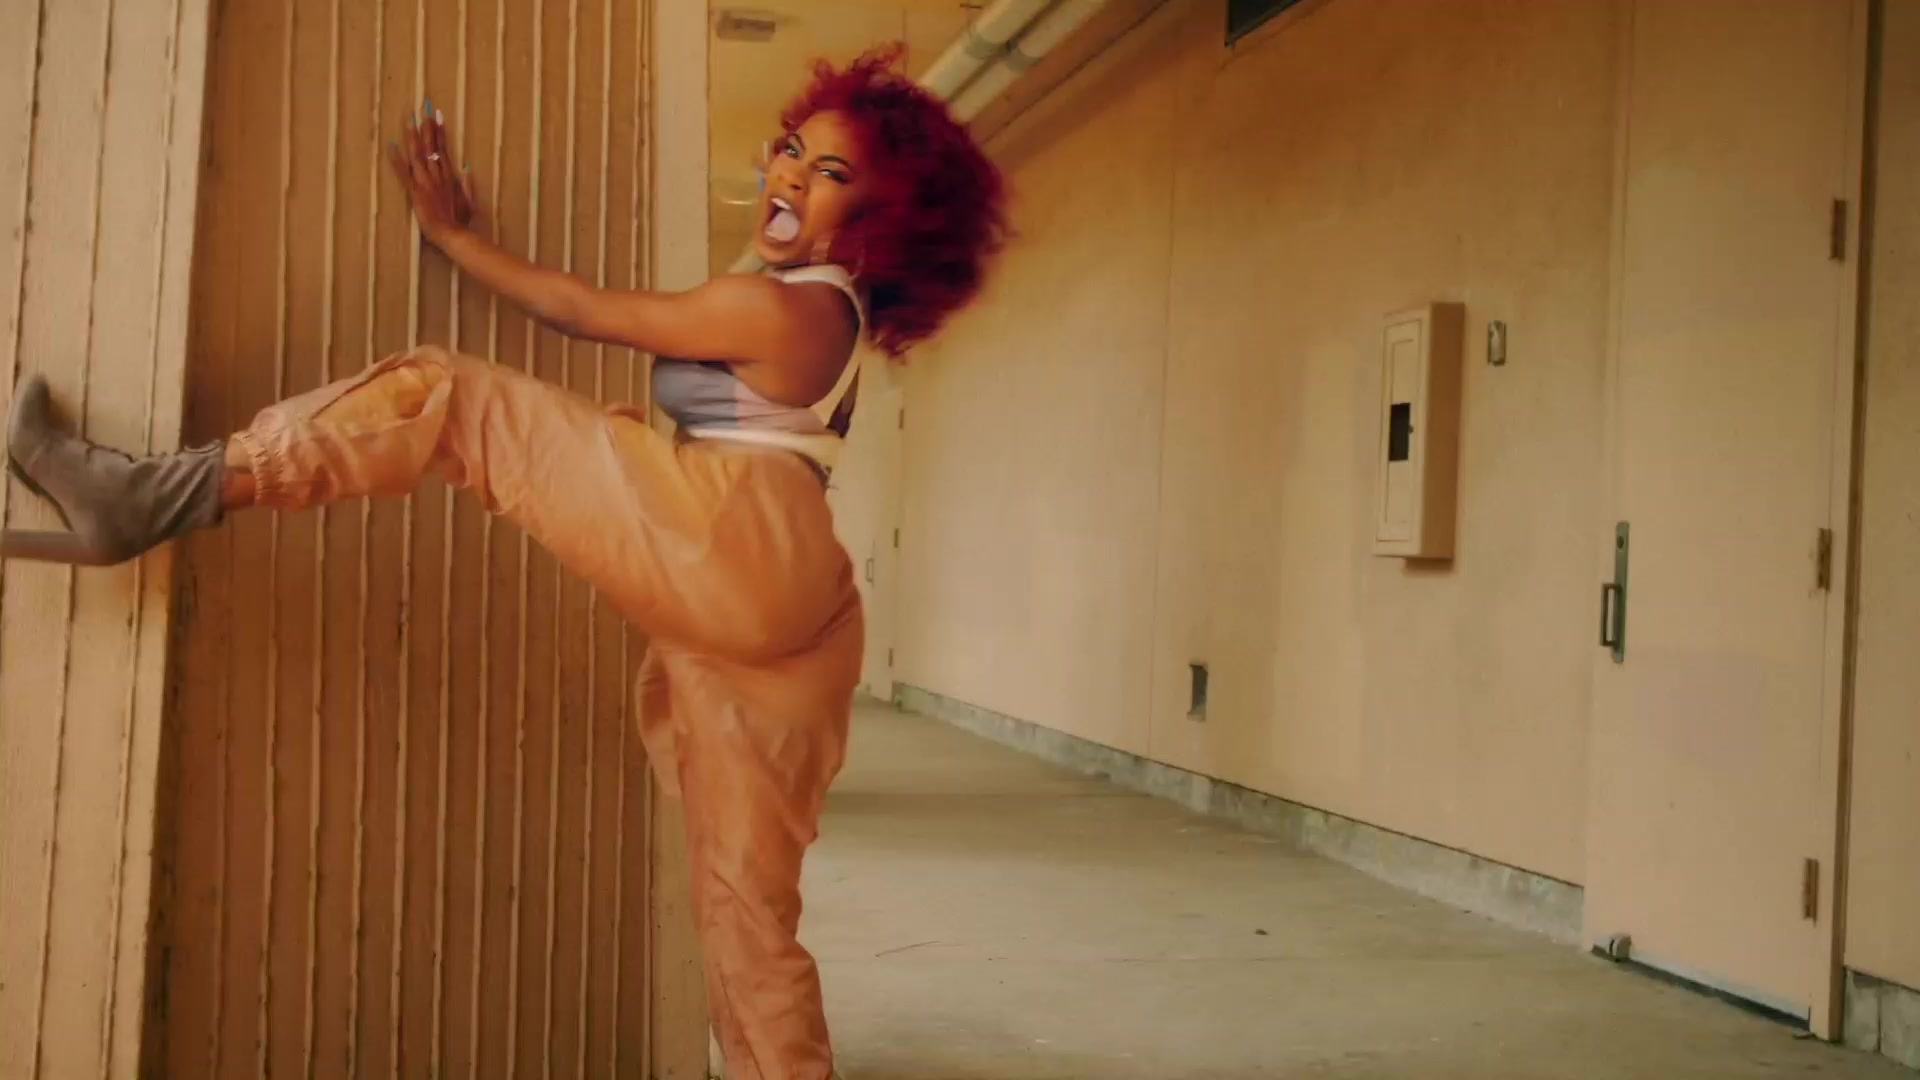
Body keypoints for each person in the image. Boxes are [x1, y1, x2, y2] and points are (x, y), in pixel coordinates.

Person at [3, 46, 1005, 1080]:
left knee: (449, 397)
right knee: (746, 905)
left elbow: (581, 310)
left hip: (733, 544)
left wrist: (453, 238)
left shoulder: (782, 307)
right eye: (793, 149)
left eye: (830, 173)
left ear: (882, 220)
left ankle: (145, 497)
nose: (789, 175)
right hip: (804, 608)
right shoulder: (829, 321)